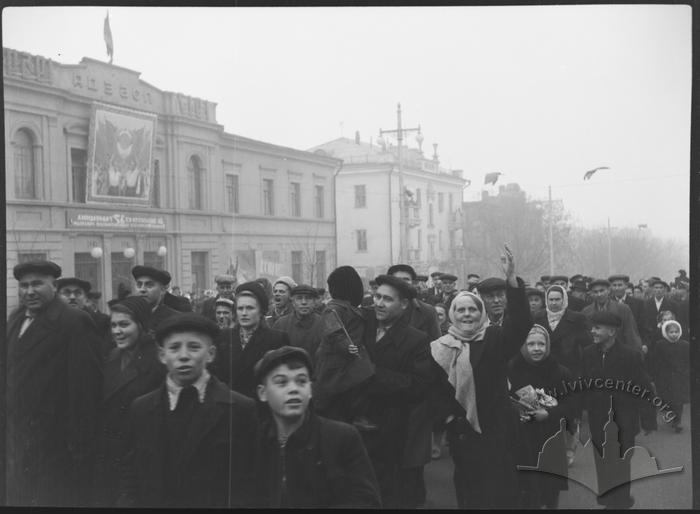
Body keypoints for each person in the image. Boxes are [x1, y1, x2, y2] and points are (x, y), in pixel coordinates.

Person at [117, 313, 260, 508]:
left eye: (194, 347)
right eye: (174, 348)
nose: (183, 356)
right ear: (161, 355)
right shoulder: (141, 409)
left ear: (210, 354)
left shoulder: (239, 409)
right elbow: (130, 476)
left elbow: (248, 484)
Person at [430, 245, 532, 509]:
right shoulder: (441, 346)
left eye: (472, 310)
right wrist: (450, 419)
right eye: (461, 310)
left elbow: (520, 324)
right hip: (464, 433)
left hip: (497, 430)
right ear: (453, 314)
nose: (467, 315)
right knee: (470, 492)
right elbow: (435, 389)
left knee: (501, 492)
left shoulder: (495, 338)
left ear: (481, 313)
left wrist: (512, 281)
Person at [6, 260, 103, 506]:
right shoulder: (15, 321)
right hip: (18, 437)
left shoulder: (73, 321)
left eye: (37, 283)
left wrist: (80, 446)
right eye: (24, 285)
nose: (29, 291)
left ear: (54, 286)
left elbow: (84, 388)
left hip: (55, 443)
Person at [255, 346, 382, 508]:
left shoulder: (341, 438)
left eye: (301, 381)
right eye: (281, 382)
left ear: (310, 390)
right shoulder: (253, 442)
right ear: (262, 393)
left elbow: (367, 502)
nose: (293, 389)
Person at [358, 274, 435, 508]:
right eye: (377, 297)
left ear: (403, 305)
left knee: (390, 494)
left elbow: (418, 386)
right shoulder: (362, 328)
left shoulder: (417, 340)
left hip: (392, 431)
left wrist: (371, 372)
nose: (379, 303)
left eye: (387, 299)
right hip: (355, 424)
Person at [93, 296, 165, 507]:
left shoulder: (158, 360)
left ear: (141, 325)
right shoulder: (112, 355)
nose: (117, 331)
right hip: (110, 454)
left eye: (125, 324)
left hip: (141, 454)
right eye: (113, 325)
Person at [581, 311, 652, 509]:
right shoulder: (588, 353)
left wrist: (648, 420)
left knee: (620, 464)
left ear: (612, 331)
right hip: (598, 420)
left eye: (597, 328)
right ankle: (607, 500)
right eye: (592, 327)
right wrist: (578, 416)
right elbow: (582, 386)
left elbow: (644, 388)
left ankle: (620, 503)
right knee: (602, 463)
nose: (592, 331)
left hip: (624, 421)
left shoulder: (631, 355)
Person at [507, 325, 577, 509]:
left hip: (549, 435)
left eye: (541, 343)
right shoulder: (511, 370)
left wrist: (549, 413)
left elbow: (572, 405)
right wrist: (516, 412)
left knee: (550, 487)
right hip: (521, 437)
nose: (536, 348)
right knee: (526, 488)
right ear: (523, 346)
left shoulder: (561, 372)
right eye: (531, 344)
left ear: (548, 345)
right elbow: (500, 401)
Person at [313, 266, 376, 430]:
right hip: (336, 360)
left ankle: (357, 415)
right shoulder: (333, 308)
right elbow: (332, 331)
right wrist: (346, 346)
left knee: (363, 379)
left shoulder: (346, 306)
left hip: (348, 358)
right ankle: (357, 417)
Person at [210, 281, 289, 399]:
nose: (244, 313)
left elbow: (281, 379)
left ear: (261, 311)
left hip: (260, 407)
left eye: (250, 308)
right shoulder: (223, 337)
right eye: (240, 308)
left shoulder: (276, 339)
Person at [534, 285, 590, 378]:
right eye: (551, 300)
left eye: (557, 299)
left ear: (564, 300)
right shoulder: (538, 317)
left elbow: (586, 344)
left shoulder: (577, 318)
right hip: (543, 367)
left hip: (569, 368)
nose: (554, 303)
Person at [582, 279, 642, 352]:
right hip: (595, 354)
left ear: (608, 291)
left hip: (619, 353)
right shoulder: (586, 311)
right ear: (591, 294)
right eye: (595, 292)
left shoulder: (622, 309)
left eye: (602, 291)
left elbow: (631, 334)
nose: (599, 294)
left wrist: (635, 353)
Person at [652, 320, 689, 433]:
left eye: (676, 332)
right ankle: (671, 416)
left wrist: (685, 372)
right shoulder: (660, 345)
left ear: (680, 332)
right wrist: (655, 376)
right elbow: (656, 361)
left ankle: (677, 422)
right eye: (671, 332)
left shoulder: (685, 345)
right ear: (665, 333)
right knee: (667, 399)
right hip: (665, 377)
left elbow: (688, 361)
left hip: (679, 376)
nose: (674, 334)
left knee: (678, 400)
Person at [56, 276, 111, 347]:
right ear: (57, 297)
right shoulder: (50, 322)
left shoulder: (102, 322)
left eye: (78, 293)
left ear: (85, 298)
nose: (72, 297)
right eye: (67, 293)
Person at [272, 284, 324, 357]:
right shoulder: (281, 324)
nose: (304, 302)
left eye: (308, 298)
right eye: (299, 298)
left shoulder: (323, 324)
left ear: (314, 302)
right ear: (293, 302)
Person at [131, 265, 181, 332]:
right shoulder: (127, 316)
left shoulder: (175, 320)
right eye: (139, 285)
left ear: (162, 290)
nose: (142, 289)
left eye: (149, 285)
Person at [641, 279, 678, 345]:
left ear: (664, 289)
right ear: (652, 289)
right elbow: (644, 322)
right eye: (656, 288)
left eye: (661, 288)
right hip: (650, 338)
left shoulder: (672, 304)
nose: (658, 290)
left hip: (667, 338)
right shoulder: (646, 304)